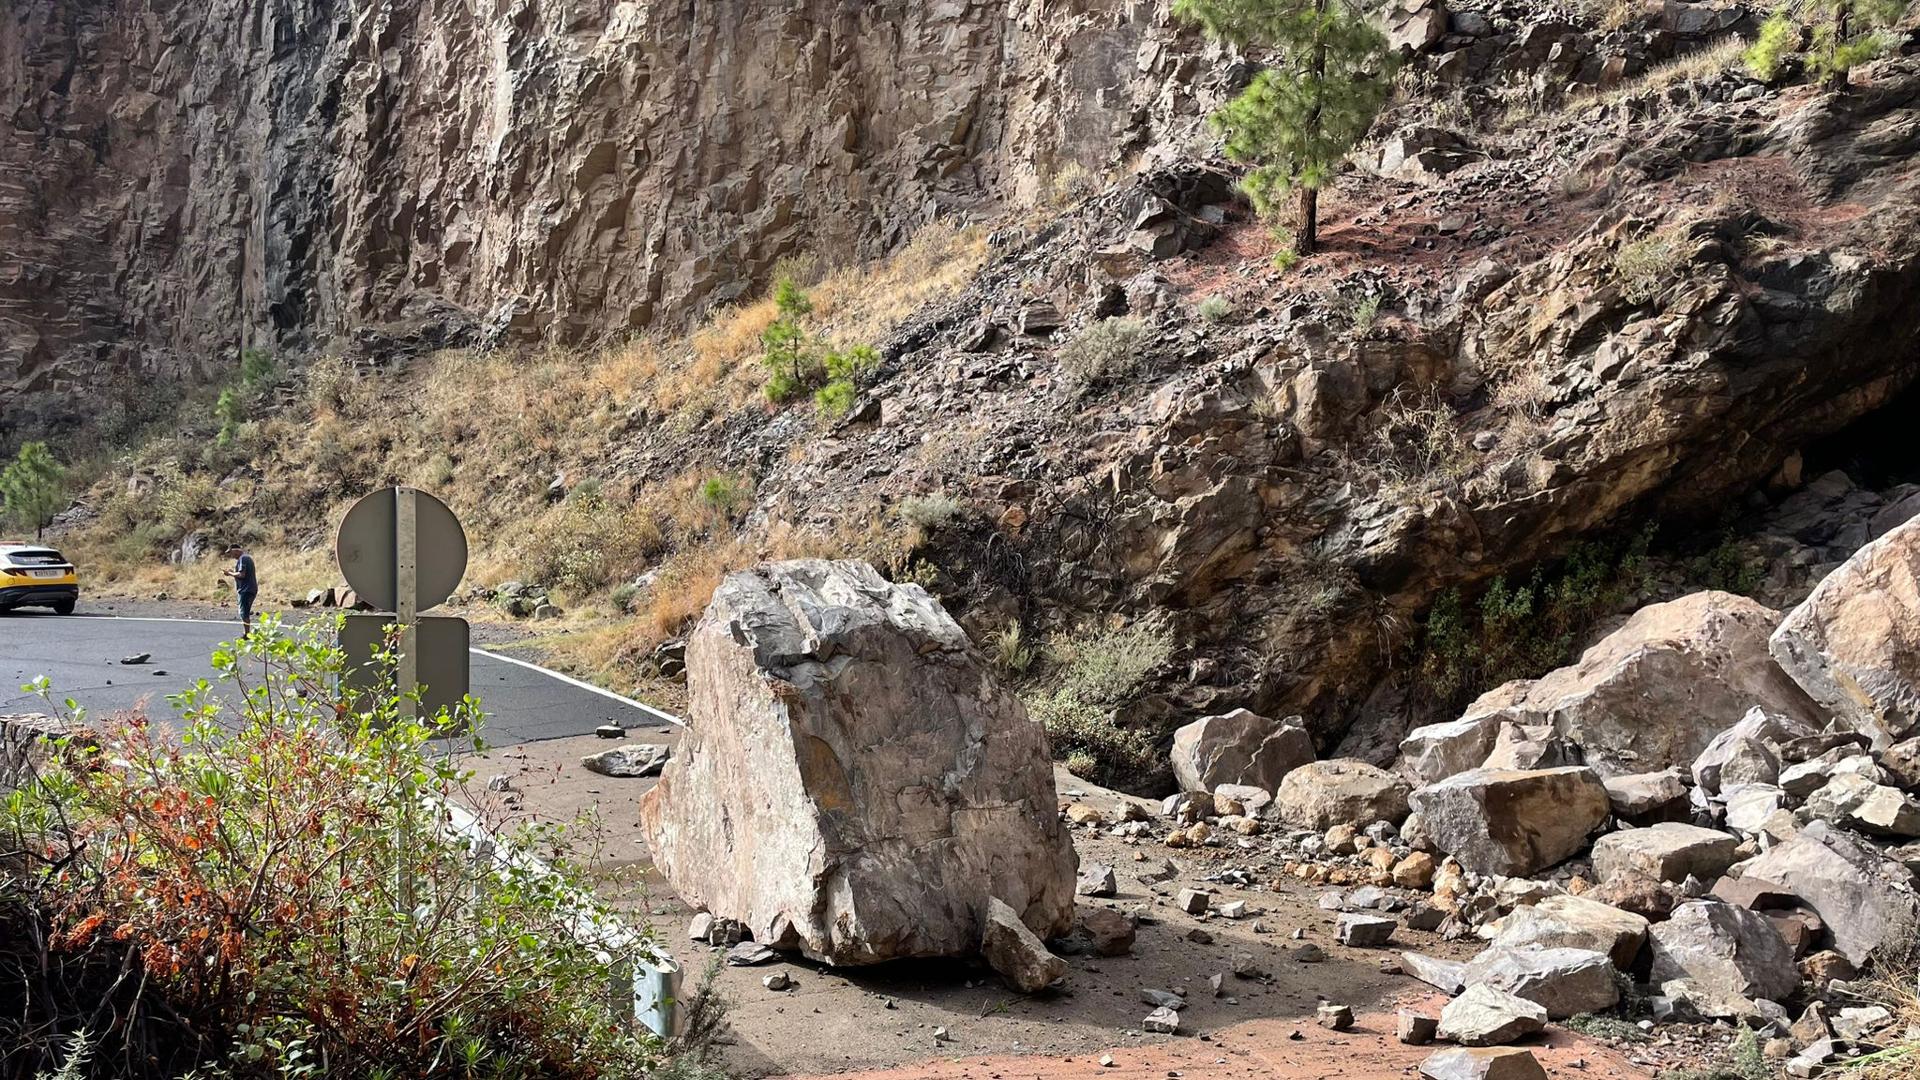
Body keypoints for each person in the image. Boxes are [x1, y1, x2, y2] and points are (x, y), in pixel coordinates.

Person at [222, 544, 259, 634]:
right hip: (249, 588)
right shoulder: (245, 558)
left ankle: (247, 633)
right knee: (244, 611)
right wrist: (233, 572)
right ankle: (247, 632)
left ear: (236, 550)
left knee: (244, 612)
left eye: (231, 552)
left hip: (246, 589)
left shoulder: (243, 558)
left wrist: (230, 574)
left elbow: (242, 575)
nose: (231, 555)